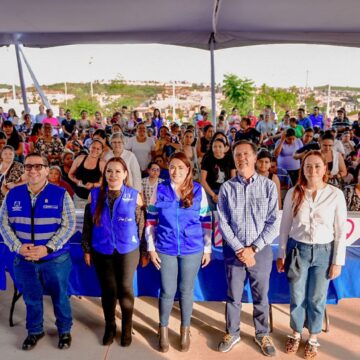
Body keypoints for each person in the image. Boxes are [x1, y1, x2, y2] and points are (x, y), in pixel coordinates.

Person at [0, 153, 76, 350]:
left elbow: (69, 225)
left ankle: (64, 330)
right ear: (24, 170)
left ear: (46, 169)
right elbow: (3, 225)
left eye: (38, 166)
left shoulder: (60, 194)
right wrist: (17, 246)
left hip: (55, 259)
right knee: (31, 298)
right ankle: (35, 331)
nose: (33, 170)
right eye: (28, 166)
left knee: (60, 296)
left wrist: (47, 248)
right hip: (24, 259)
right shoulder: (12, 195)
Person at [276, 150, 347, 359]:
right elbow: (285, 226)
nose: (312, 170)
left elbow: (341, 230)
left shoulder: (335, 194)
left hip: (325, 252)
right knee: (297, 295)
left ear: (325, 168)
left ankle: (313, 337)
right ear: (303, 169)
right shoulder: (294, 192)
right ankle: (296, 333)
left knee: (317, 298)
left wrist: (337, 261)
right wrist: (281, 253)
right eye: (308, 166)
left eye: (317, 166)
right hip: (298, 250)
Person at [217, 140, 278, 356]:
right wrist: (239, 249)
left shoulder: (269, 186)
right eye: (237, 155)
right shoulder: (227, 188)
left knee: (261, 296)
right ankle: (232, 332)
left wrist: (253, 249)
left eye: (245, 154)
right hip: (234, 253)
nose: (241, 158)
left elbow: (273, 223)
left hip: (260, 253)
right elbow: (223, 222)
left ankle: (262, 334)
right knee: (233, 296)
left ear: (254, 157)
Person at [146, 152, 212, 353]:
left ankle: (185, 329)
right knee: (167, 290)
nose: (176, 171)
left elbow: (206, 222)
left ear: (188, 170)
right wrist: (150, 248)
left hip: (192, 248)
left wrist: (207, 248)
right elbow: (150, 220)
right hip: (165, 248)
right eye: (172, 167)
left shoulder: (198, 190)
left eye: (180, 168)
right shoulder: (160, 188)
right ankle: (163, 329)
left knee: (186, 290)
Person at [81, 157, 144, 347]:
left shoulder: (135, 195)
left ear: (125, 174)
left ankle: (126, 327)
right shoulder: (94, 195)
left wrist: (142, 250)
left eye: (118, 171)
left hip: (127, 250)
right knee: (108, 291)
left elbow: (141, 225)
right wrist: (87, 249)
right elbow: (88, 224)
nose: (113, 175)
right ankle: (110, 326)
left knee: (125, 290)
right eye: (109, 171)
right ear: (104, 174)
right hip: (102, 249)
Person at [200, 138, 236, 209]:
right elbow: (202, 180)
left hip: (226, 190)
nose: (217, 149)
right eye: (215, 146)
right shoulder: (207, 159)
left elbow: (233, 179)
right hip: (210, 190)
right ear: (212, 148)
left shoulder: (230, 158)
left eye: (220, 146)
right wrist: (213, 195)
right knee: (213, 213)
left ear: (225, 148)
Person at [68, 139, 105, 207]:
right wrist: (76, 181)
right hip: (78, 197)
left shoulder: (102, 163)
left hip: (94, 198)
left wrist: (93, 185)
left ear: (101, 151)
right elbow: (70, 174)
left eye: (98, 149)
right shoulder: (80, 158)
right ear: (89, 147)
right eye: (93, 147)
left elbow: (103, 182)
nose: (95, 150)